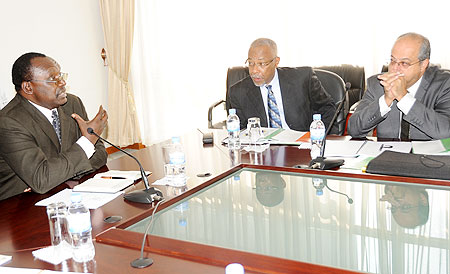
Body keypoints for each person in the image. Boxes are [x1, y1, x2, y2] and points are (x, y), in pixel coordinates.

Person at [0, 52, 108, 200]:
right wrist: (86, 142)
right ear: (28, 88)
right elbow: (41, 179)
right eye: (53, 79)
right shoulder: (9, 122)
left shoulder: (72, 103)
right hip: (20, 206)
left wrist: (59, 175)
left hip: (63, 193)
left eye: (61, 76)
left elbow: (100, 153)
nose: (62, 83)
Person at [348, 32, 450, 140]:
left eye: (404, 63)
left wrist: (404, 97)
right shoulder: (378, 83)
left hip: (427, 156)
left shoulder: (444, 84)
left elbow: (446, 132)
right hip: (388, 155)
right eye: (392, 60)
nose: (395, 68)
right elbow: (354, 130)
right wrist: (385, 100)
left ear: (423, 64)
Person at [227, 38, 336, 131]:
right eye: (251, 63)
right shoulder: (238, 92)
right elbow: (239, 132)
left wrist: (319, 137)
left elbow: (327, 108)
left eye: (261, 64)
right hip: (263, 150)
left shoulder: (302, 78)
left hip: (301, 146)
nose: (254, 70)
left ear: (276, 62)